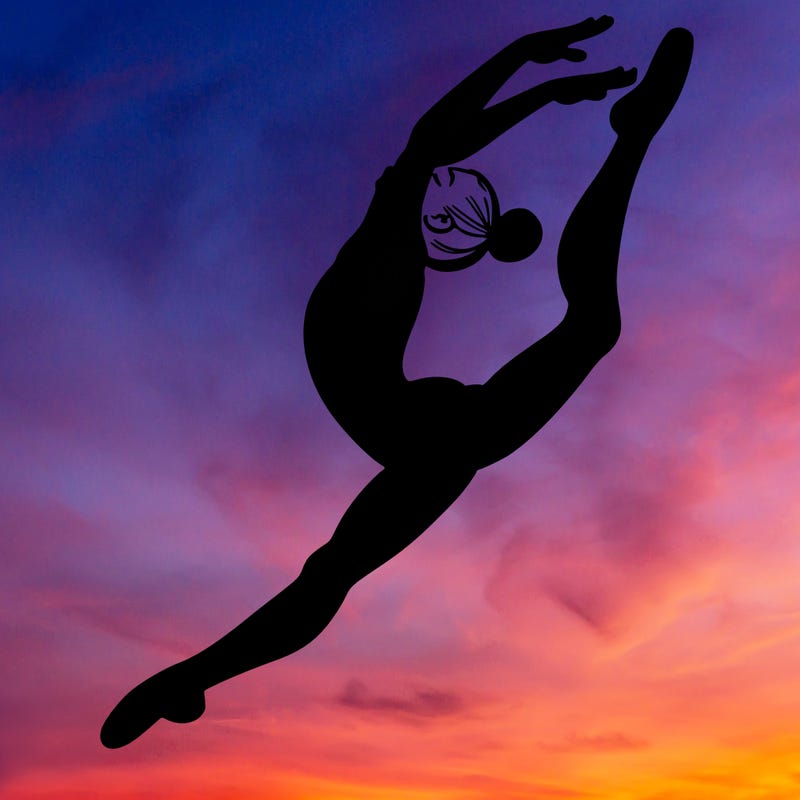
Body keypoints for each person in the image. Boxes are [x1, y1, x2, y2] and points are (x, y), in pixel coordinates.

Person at [101, 18, 693, 749]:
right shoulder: (388, 232)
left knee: (331, 574)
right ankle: (190, 676)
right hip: (422, 430)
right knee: (591, 325)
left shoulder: (391, 246)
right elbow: (435, 135)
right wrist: (526, 67)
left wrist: (536, 80)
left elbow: (437, 143)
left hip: (424, 430)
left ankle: (190, 677)